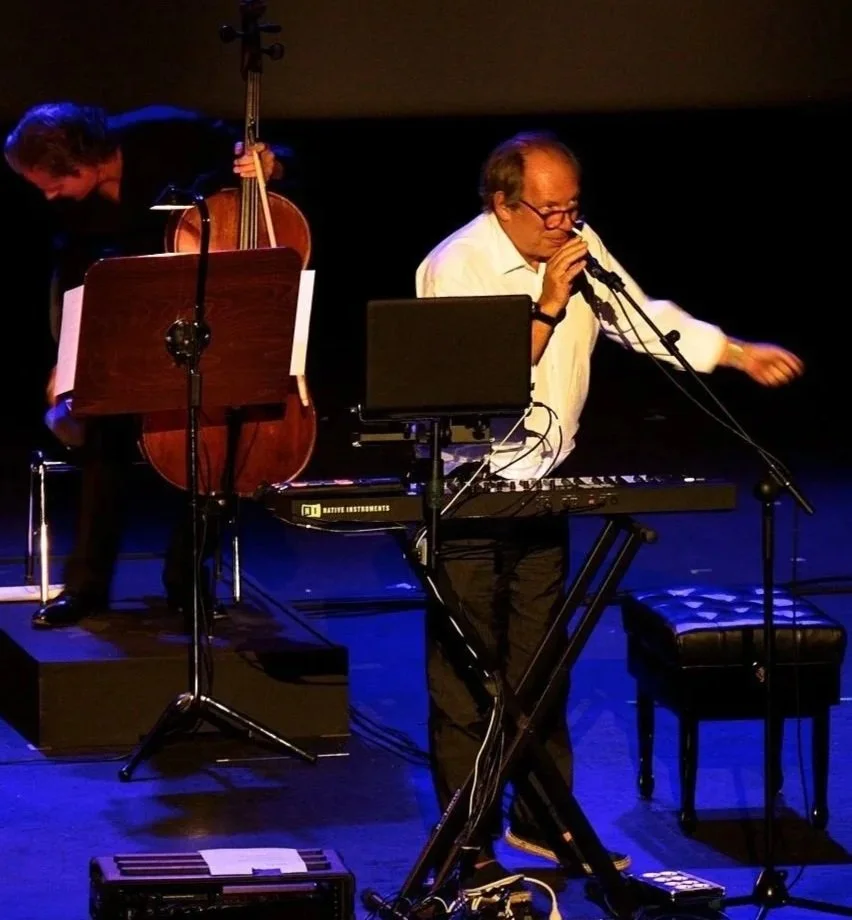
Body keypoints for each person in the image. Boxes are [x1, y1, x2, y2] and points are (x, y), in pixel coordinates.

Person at [414, 131, 803, 889]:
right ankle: (466, 840)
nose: (565, 223)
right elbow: (473, 379)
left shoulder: (577, 244)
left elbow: (640, 317)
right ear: (503, 202)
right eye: (549, 210)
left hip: (542, 485)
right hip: (466, 490)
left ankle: (540, 818)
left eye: (573, 208)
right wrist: (550, 304)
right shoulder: (454, 264)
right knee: (466, 679)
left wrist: (733, 353)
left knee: (539, 667)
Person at [4, 101, 292, 630]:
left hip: (201, 318)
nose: (46, 196)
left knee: (212, 444)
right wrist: (64, 363)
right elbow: (71, 281)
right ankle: (87, 586)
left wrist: (267, 167)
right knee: (102, 434)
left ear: (85, 160)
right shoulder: (72, 210)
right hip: (124, 328)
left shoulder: (168, 136)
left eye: (51, 182)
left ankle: (187, 580)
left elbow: (264, 159)